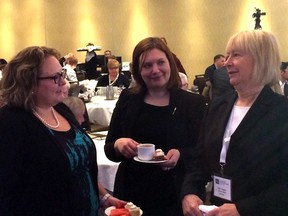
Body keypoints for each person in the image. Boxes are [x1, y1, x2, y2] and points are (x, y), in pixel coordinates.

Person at [0, 46, 124, 215]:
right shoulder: (11, 123)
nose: (63, 82)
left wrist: (104, 197)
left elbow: (82, 166)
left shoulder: (60, 109)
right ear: (28, 81)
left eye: (62, 74)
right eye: (54, 77)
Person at [181, 30, 288, 216]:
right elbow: (199, 161)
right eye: (227, 55)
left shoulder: (281, 112)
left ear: (260, 59)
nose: (227, 62)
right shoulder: (218, 106)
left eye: (236, 55)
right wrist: (190, 191)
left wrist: (244, 209)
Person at [104, 37, 205, 216]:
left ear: (170, 64)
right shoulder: (128, 98)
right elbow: (109, 149)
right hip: (132, 193)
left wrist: (181, 154)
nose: (155, 70)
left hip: (175, 193)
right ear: (138, 70)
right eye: (147, 65)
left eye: (160, 62)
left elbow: (204, 153)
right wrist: (119, 144)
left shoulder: (192, 103)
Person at [62, 96, 127, 210]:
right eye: (81, 115)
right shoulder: (63, 143)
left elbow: (86, 171)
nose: (83, 119)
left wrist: (105, 196)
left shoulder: (79, 137)